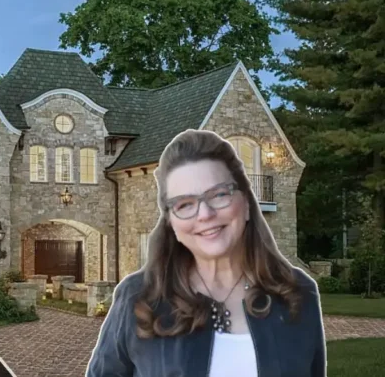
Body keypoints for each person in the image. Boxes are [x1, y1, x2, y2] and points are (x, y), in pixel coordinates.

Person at [86, 129, 326, 377]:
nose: (205, 214)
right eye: (185, 204)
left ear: (245, 203)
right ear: (172, 223)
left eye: (219, 194)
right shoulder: (139, 298)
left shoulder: (297, 294)